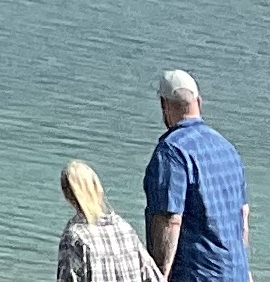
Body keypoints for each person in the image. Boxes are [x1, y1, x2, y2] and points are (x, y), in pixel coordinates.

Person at [143, 70, 249, 282]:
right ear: (199, 101)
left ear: (164, 106)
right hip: (235, 272)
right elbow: (243, 216)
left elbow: (169, 220)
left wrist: (158, 276)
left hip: (196, 274)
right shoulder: (227, 149)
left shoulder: (172, 151)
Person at [57, 161, 147, 282]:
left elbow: (67, 278)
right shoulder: (124, 228)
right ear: (98, 188)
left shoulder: (74, 235)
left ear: (67, 194)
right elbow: (152, 275)